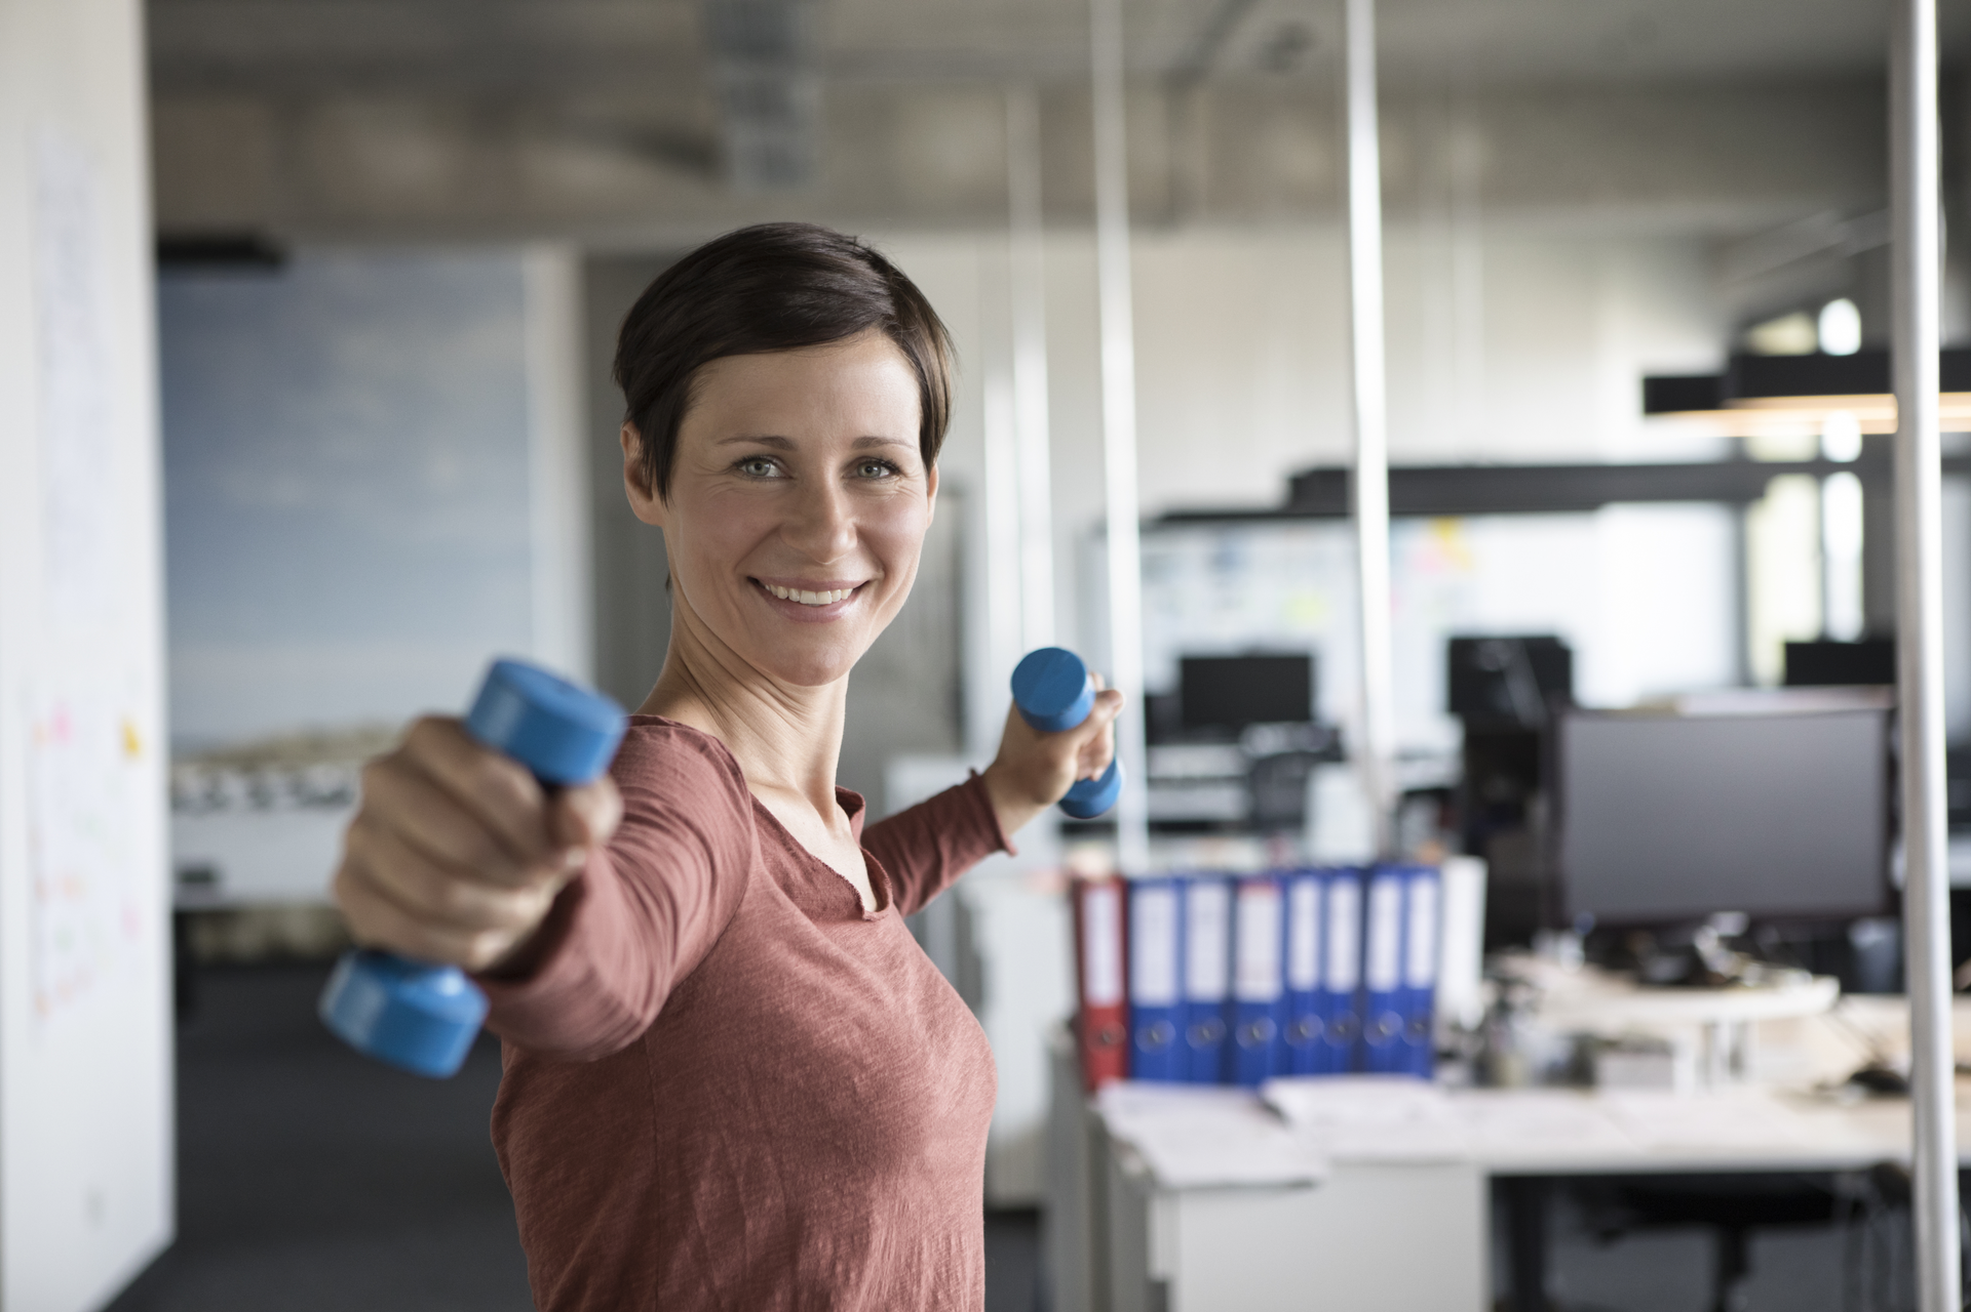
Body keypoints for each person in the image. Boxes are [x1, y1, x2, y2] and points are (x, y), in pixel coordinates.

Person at [329, 222, 1123, 1311]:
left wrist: (1006, 796)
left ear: (928, 489)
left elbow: (825, 901)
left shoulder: (794, 816)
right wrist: (522, 915)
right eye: (760, 463)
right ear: (644, 470)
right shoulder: (671, 798)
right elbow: (618, 947)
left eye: (874, 468)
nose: (827, 530)